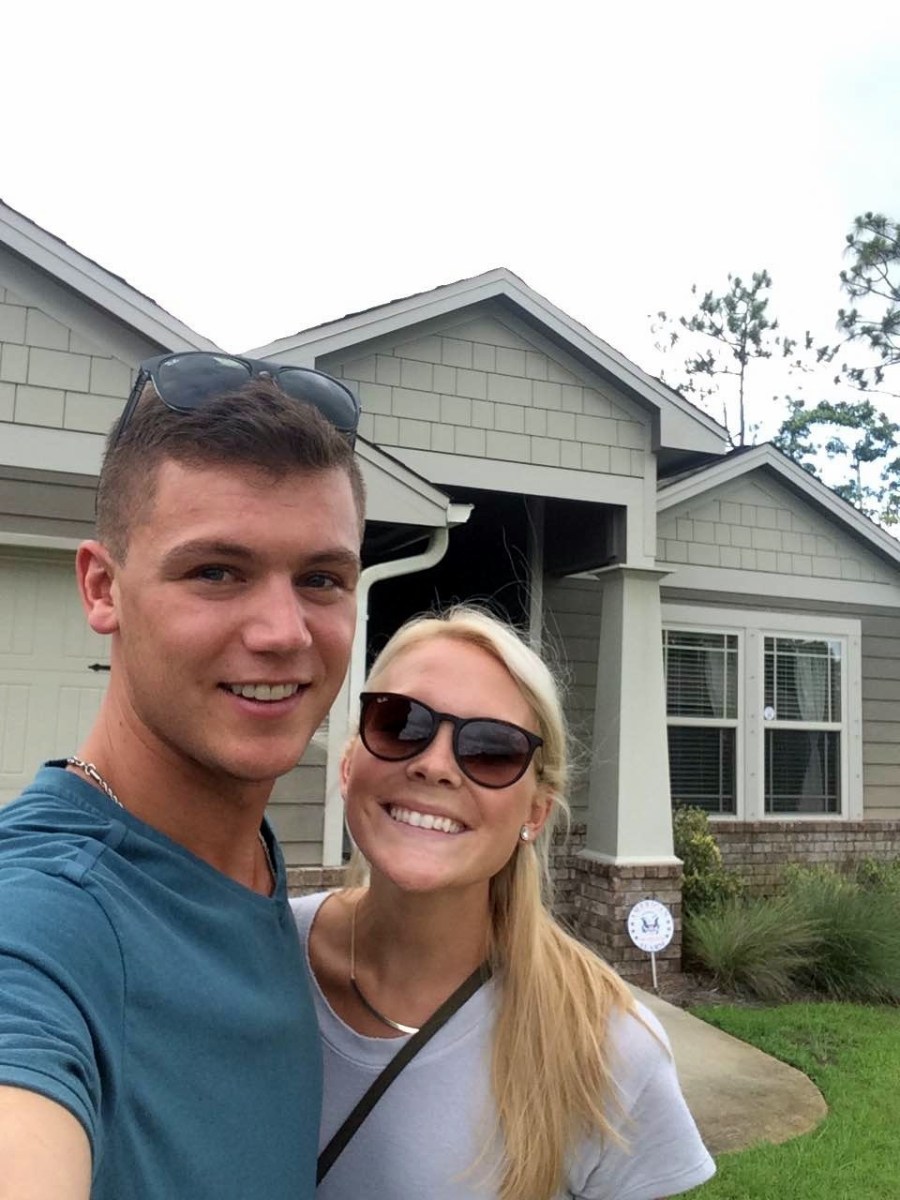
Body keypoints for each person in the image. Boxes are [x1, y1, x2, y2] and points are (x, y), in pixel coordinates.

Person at [0, 352, 366, 1200]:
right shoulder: (46, 920)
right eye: (216, 572)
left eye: (321, 579)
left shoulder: (243, 862)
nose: (283, 632)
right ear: (103, 588)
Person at [291, 607, 716, 1200]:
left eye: (492, 750)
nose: (434, 765)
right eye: (400, 723)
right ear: (348, 765)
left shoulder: (608, 1050)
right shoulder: (253, 954)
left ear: (535, 813)